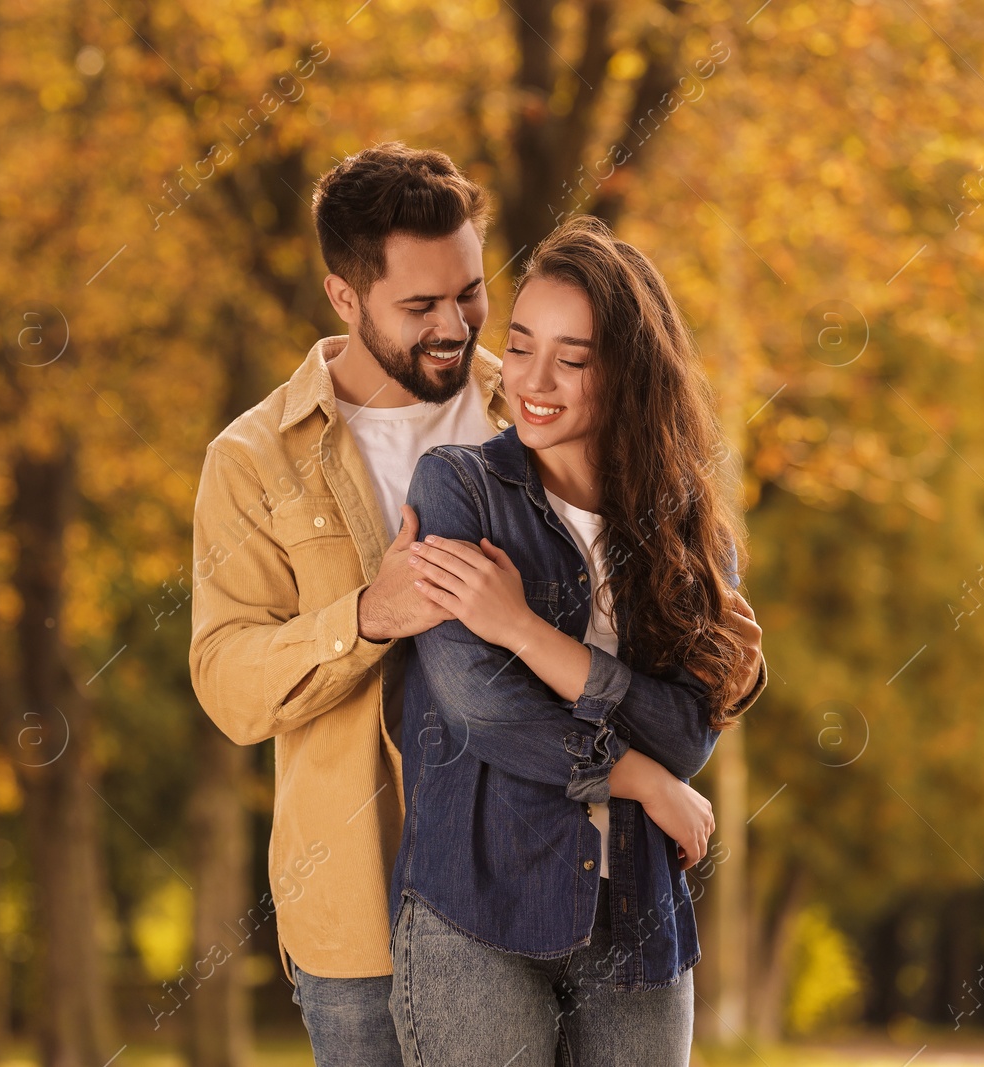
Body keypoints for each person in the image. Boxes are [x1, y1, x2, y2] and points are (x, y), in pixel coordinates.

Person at [189, 146, 763, 1063]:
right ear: (345, 298)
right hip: (364, 899)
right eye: (419, 306)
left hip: (569, 865)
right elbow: (227, 684)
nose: (455, 326)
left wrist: (699, 663)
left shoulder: (536, 396)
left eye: (469, 293)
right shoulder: (256, 460)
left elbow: (667, 619)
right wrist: (367, 616)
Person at [387, 214, 766, 1066]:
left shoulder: (693, 533)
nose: (534, 379)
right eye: (520, 346)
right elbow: (483, 708)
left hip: (637, 920)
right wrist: (638, 777)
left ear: (628, 373)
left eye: (574, 357)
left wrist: (521, 627)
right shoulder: (460, 492)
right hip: (475, 910)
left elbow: (686, 734)